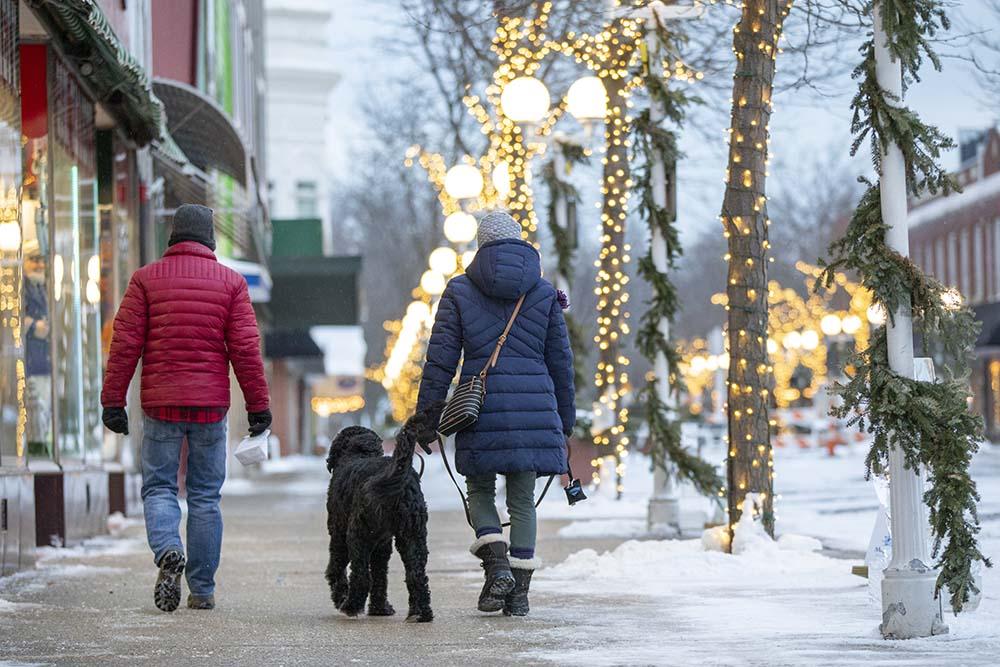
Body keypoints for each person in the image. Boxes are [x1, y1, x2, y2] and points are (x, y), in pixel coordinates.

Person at [100, 204, 271, 613]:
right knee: (205, 497)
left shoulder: (145, 280)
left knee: (159, 487)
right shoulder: (230, 283)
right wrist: (258, 407)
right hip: (211, 408)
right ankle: (203, 589)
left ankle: (167, 550)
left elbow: (125, 345)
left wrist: (113, 400)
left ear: (173, 238)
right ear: (210, 240)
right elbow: (246, 350)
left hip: (160, 404)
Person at [416, 211, 575, 617]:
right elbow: (561, 363)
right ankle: (519, 593)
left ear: (482, 246)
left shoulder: (459, 290)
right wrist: (565, 419)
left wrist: (428, 415)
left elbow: (441, 360)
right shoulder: (543, 293)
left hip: (479, 407)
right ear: (520, 243)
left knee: (480, 491)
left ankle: (498, 565)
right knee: (523, 501)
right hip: (534, 407)